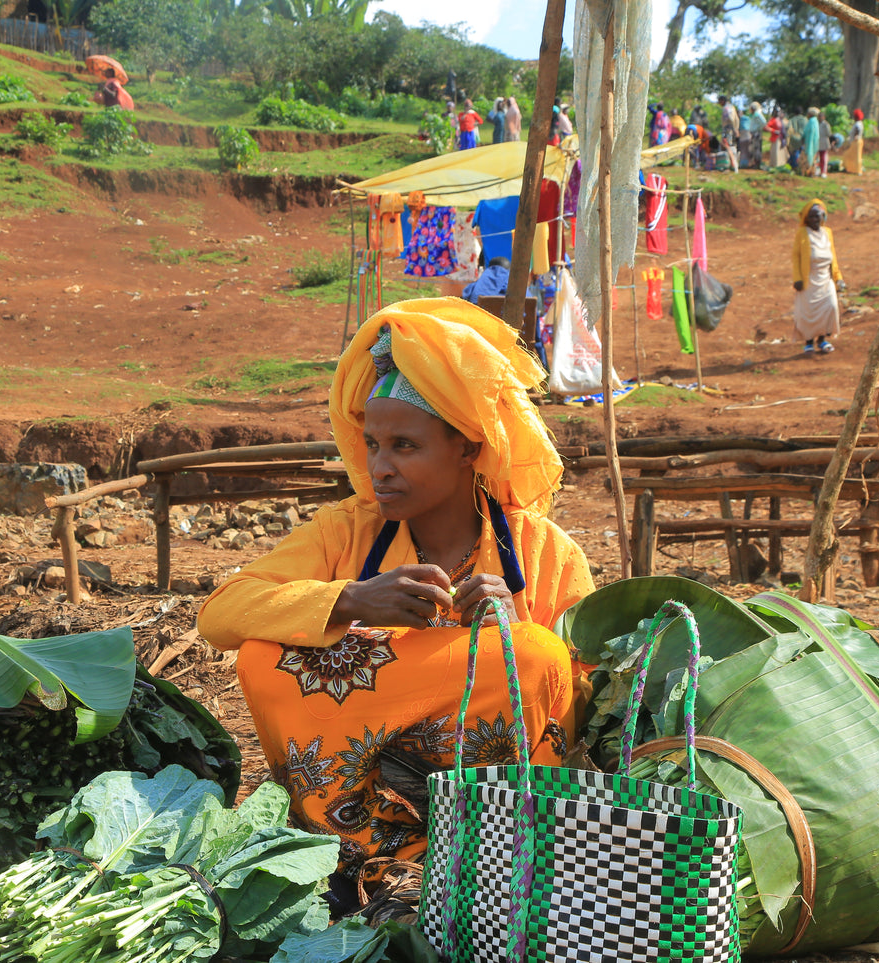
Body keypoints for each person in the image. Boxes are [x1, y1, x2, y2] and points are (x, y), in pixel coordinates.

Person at [197, 298, 595, 908]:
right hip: (361, 794)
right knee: (258, 656)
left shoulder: (542, 551)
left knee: (537, 651)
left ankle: (508, 861)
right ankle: (347, 852)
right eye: (373, 444)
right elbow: (221, 613)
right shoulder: (344, 532)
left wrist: (507, 636)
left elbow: (591, 690)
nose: (379, 468)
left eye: (405, 446)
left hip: (497, 816)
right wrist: (351, 600)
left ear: (468, 448)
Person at [791, 200, 845, 355]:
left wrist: (838, 278)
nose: (815, 220)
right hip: (809, 279)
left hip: (825, 279)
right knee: (809, 312)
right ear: (807, 218)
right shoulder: (802, 233)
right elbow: (796, 257)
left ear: (824, 217)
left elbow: (833, 256)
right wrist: (798, 278)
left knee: (830, 307)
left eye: (818, 216)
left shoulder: (827, 232)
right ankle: (809, 342)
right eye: (812, 217)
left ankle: (822, 340)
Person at [740, 101, 766, 170]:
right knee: (754, 148)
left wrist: (758, 128)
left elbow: (763, 122)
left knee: (756, 148)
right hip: (754, 133)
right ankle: (755, 163)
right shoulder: (755, 114)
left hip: (756, 133)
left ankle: (757, 164)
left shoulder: (757, 114)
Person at [718, 95, 740, 172]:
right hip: (731, 129)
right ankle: (731, 165)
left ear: (722, 101)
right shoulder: (732, 107)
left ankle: (731, 166)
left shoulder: (727, 108)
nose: (719, 103)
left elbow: (730, 118)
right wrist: (736, 128)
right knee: (730, 146)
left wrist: (733, 129)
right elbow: (736, 119)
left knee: (728, 146)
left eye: (719, 101)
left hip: (728, 130)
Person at [802, 107, 822, 177]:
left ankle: (809, 171)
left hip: (810, 142)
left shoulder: (811, 122)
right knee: (814, 157)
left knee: (809, 156)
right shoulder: (816, 121)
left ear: (810, 114)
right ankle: (812, 171)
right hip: (815, 143)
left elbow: (806, 132)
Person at [846, 108, 865, 176]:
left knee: (856, 157)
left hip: (856, 141)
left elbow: (857, 130)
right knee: (854, 156)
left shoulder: (857, 124)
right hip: (857, 141)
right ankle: (853, 169)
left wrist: (855, 136)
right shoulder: (860, 123)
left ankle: (858, 170)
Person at [817, 110, 832, 177]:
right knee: (818, 158)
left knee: (823, 158)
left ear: (824, 117)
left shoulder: (826, 124)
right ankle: (819, 170)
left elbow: (829, 134)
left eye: (821, 116)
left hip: (824, 142)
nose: (820, 118)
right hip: (819, 142)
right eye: (819, 117)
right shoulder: (817, 124)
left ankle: (824, 171)